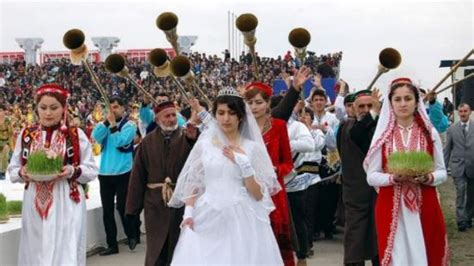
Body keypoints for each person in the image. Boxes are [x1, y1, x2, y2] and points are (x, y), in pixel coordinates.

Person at [168, 87, 283, 265]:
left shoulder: (253, 148)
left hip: (243, 216)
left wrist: (245, 166)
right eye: (221, 113)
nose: (226, 118)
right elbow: (194, 182)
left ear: (241, 116)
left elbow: (259, 194)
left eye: (231, 113)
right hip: (207, 213)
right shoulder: (204, 144)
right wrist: (188, 213)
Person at [7, 84, 98, 265]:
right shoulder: (26, 136)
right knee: (35, 246)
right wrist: (22, 172)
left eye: (54, 108)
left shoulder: (75, 135)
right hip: (34, 199)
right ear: (37, 109)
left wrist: (72, 171)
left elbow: (91, 170)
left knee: (66, 246)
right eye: (43, 108)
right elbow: (13, 169)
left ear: (64, 109)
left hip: (66, 199)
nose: (48, 113)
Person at [364, 78, 449, 266]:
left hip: (425, 203)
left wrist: (429, 177)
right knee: (398, 258)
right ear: (390, 103)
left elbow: (442, 171)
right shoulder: (383, 136)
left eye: (408, 98)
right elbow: (371, 176)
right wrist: (394, 177)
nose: (403, 104)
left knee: (426, 253)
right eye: (398, 99)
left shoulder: (429, 133)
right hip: (392, 206)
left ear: (416, 101)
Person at [126, 100, 198, 266]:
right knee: (156, 249)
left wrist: (193, 140)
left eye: (174, 115)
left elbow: (197, 164)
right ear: (157, 120)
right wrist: (132, 209)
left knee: (179, 248)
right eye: (167, 116)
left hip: (180, 202)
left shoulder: (187, 136)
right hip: (154, 203)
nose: (171, 119)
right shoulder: (147, 143)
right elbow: (138, 176)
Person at [337, 89, 380, 266]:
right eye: (361, 106)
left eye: (370, 105)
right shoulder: (347, 126)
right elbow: (359, 134)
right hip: (355, 195)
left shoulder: (380, 127)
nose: (365, 109)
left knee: (380, 240)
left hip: (378, 194)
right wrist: (375, 112)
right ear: (353, 109)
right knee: (355, 245)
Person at [92, 96, 138, 256]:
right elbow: (96, 137)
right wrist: (106, 122)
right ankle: (112, 244)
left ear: (123, 109)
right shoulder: (104, 125)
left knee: (123, 206)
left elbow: (120, 141)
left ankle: (132, 234)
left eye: (116, 107)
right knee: (107, 210)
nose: (113, 110)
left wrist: (112, 125)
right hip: (105, 173)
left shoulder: (130, 125)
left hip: (123, 172)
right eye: (110, 107)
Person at [444, 103, 474, 232]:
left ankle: (468, 217)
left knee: (471, 194)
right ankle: (461, 220)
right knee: (461, 192)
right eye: (460, 111)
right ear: (458, 113)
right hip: (458, 166)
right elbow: (447, 150)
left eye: (465, 111)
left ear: (470, 112)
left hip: (472, 165)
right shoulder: (452, 129)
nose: (462, 113)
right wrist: (443, 167)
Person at [0, 104, 13, 180]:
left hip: (5, 142)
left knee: (4, 153)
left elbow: (10, 134)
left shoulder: (8, 121)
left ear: (4, 111)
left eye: (1, 111)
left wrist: (11, 147)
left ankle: (2, 172)